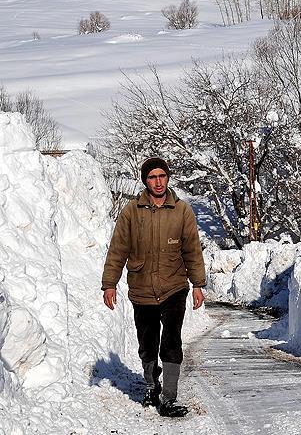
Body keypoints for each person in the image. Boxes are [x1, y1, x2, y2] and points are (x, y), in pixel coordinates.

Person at [101, 157, 206, 418]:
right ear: (145, 180)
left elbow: (192, 250)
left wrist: (198, 284)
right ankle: (151, 383)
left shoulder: (182, 211)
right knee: (147, 343)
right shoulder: (131, 211)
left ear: (168, 178)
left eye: (162, 176)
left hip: (174, 287)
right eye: (152, 177)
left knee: (171, 341)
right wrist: (109, 284)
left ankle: (169, 398)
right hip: (141, 288)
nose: (158, 182)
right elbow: (118, 250)